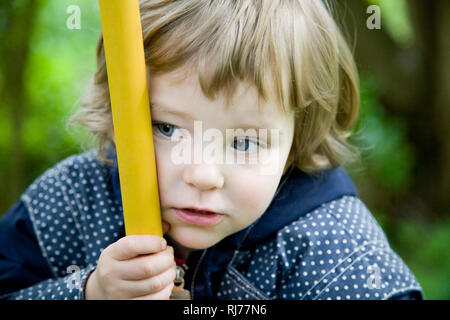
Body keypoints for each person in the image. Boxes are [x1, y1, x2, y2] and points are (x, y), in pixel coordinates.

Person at [0, 0, 424, 300]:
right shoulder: (72, 202)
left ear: (298, 138)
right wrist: (89, 293)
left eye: (244, 142)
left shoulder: (335, 250)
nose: (201, 174)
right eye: (167, 128)